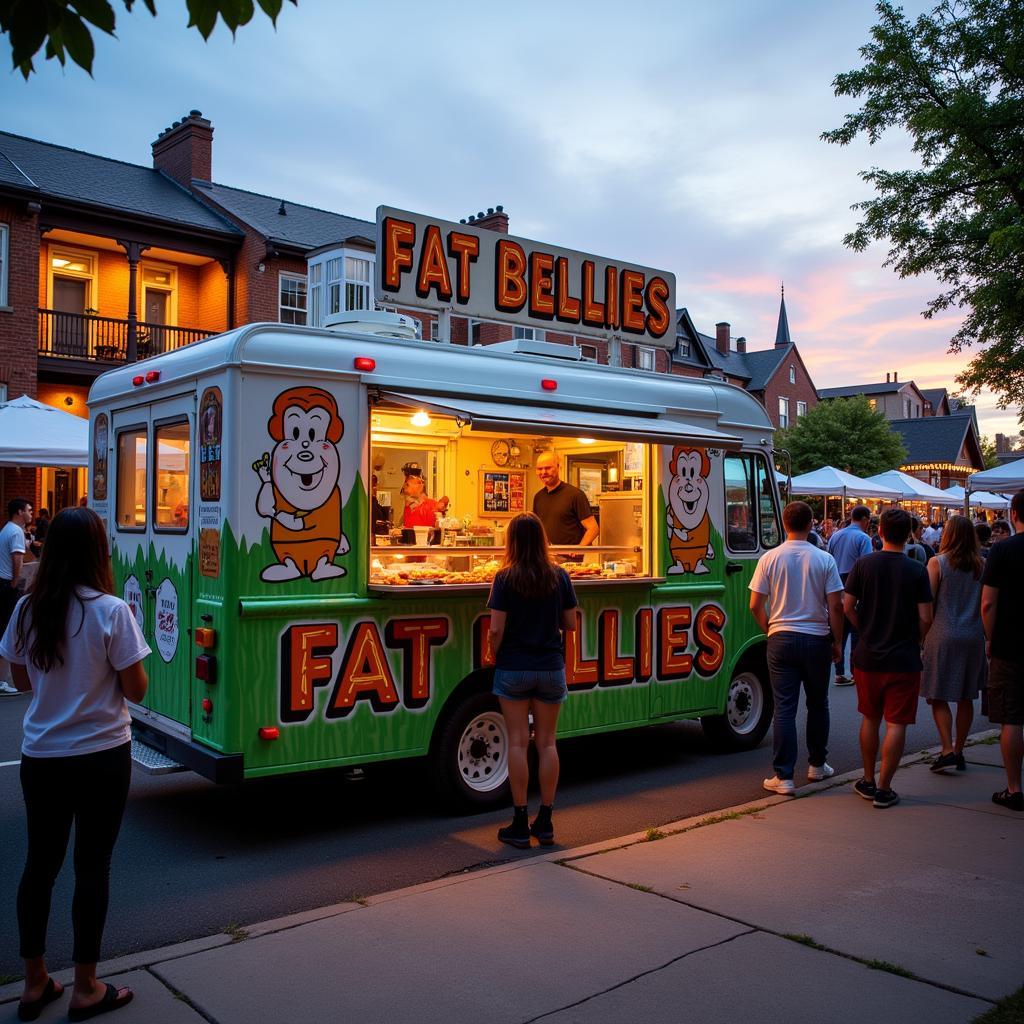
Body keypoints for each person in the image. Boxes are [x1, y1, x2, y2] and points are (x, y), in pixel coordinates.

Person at [0, 507, 150, 1020]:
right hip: (103, 754)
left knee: (38, 867)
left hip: (42, 755)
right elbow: (136, 688)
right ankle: (86, 986)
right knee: (92, 866)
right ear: (98, 553)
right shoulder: (112, 611)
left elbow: (20, 682)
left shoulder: (27, 610)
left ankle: (34, 981)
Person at [487, 512, 578, 847]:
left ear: (511, 540)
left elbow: (496, 627)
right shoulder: (560, 576)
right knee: (548, 743)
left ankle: (519, 821)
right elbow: (570, 623)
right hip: (550, 667)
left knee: (517, 742)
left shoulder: (504, 577)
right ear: (542, 539)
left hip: (513, 667)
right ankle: (547, 821)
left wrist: (496, 654)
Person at [749, 501, 845, 795]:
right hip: (816, 637)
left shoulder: (769, 558)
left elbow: (754, 604)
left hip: (781, 637)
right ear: (811, 523)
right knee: (818, 704)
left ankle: (784, 776)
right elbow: (837, 605)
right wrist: (837, 640)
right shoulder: (824, 559)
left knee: (785, 709)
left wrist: (770, 628)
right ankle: (817, 765)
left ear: (784, 523)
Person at [844, 508, 933, 809]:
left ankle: (868, 780)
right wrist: (917, 637)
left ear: (879, 531)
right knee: (897, 724)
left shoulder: (863, 564)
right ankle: (884, 788)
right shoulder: (917, 569)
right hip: (904, 657)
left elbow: (847, 607)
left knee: (870, 718)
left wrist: (864, 627)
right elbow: (926, 616)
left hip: (868, 655)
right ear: (909, 533)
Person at [921, 516, 987, 772]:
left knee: (937, 694)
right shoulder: (982, 564)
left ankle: (946, 748)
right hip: (973, 635)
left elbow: (928, 602)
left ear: (947, 534)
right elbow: (987, 603)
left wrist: (921, 636)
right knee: (966, 696)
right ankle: (959, 749)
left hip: (942, 633)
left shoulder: (937, 563)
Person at [981, 490, 1024, 811]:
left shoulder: (1002, 551)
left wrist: (989, 636)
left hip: (1009, 643)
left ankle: (1014, 788)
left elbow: (988, 602)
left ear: (1014, 515)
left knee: (1012, 718)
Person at [826, 504, 873, 686]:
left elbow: (829, 559)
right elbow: (866, 565)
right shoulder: (863, 538)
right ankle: (855, 670)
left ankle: (839, 672)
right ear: (865, 520)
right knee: (856, 629)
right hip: (855, 583)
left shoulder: (835, 536)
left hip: (836, 582)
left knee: (840, 629)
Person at [1, 498, 33, 696]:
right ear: (20, 512)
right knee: (8, 631)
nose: (31, 513)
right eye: (29, 510)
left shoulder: (7, 529)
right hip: (7, 586)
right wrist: (15, 583)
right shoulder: (16, 532)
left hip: (3, 583)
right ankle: (2, 680)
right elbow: (17, 559)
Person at [532, 452, 598, 546]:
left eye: (548, 468)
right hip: (547, 556)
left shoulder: (575, 495)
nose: (543, 472)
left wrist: (578, 550)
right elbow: (536, 528)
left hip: (571, 559)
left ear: (558, 467)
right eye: (539, 469)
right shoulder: (538, 497)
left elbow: (593, 528)